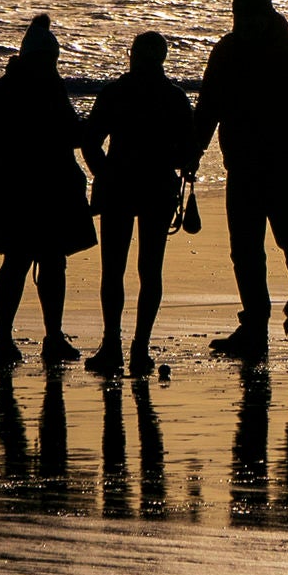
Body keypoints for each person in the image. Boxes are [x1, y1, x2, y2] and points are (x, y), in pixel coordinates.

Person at [192, 0, 288, 359]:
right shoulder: (225, 52)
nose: (247, 23)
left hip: (283, 170)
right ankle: (254, 329)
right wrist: (191, 154)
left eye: (252, 16)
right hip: (242, 168)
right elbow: (207, 111)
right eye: (241, 17)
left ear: (267, 14)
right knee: (246, 251)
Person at [0, 13, 95, 369]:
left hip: (36, 187)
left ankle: (48, 336)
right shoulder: (10, 92)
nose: (50, 65)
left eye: (52, 61)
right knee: (21, 262)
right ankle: (8, 338)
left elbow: (69, 132)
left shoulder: (34, 88)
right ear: (30, 57)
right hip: (23, 189)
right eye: (46, 59)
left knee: (47, 262)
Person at [78, 30, 196, 376]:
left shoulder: (116, 92)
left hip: (119, 187)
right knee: (150, 270)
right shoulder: (174, 97)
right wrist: (168, 160)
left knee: (113, 270)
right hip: (157, 188)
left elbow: (90, 140)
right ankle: (139, 349)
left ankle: (113, 346)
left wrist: (104, 172)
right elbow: (188, 153)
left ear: (132, 56)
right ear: (162, 59)